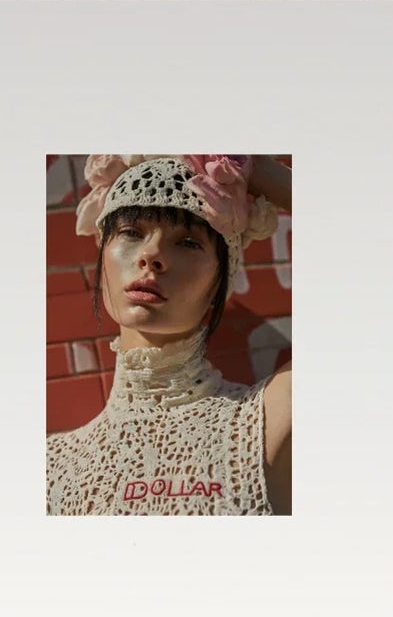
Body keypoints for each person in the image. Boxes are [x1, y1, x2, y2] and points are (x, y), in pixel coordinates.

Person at [46, 154, 291, 517]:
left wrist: (250, 164)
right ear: (102, 259)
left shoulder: (266, 421)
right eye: (131, 232)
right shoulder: (52, 467)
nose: (152, 254)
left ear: (219, 282)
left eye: (189, 242)